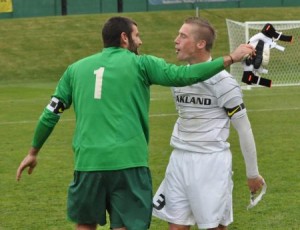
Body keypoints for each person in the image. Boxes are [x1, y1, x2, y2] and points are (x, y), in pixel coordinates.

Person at [16, 16, 254, 230]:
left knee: (85, 225)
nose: (139, 42)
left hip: (87, 163)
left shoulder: (74, 70)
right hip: (129, 163)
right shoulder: (142, 64)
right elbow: (184, 76)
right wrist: (231, 57)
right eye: (137, 36)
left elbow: (51, 113)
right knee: (126, 226)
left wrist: (33, 151)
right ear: (124, 38)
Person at [152, 17, 265, 230]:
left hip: (210, 164)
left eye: (183, 36)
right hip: (179, 159)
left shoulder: (224, 82)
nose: (175, 40)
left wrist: (252, 173)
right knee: (176, 227)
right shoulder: (178, 79)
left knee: (213, 227)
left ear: (200, 44)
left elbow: (244, 129)